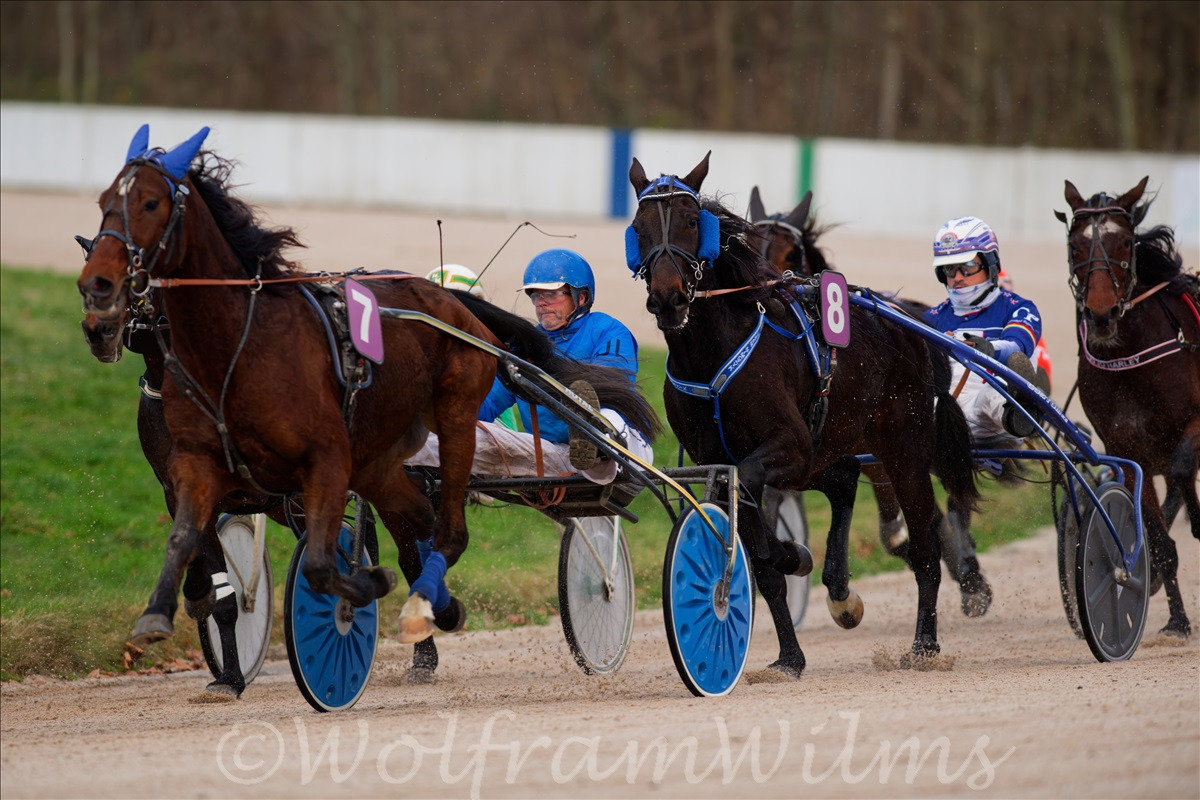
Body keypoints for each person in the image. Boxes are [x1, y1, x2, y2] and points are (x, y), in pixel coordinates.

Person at [408, 248, 653, 482]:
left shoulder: (608, 330)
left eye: (552, 294)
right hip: (551, 454)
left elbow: (612, 388)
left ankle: (592, 442)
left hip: (622, 452)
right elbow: (487, 404)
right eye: (536, 295)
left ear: (581, 297)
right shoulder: (525, 346)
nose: (541, 303)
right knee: (447, 432)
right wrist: (439, 405)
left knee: (603, 414)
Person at [923, 216, 1049, 441]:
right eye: (950, 269)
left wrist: (989, 350)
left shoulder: (1018, 308)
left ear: (990, 264)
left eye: (967, 267)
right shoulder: (931, 318)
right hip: (941, 417)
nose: (957, 277)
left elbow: (1018, 347)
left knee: (992, 393)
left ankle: (1022, 413)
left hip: (993, 418)